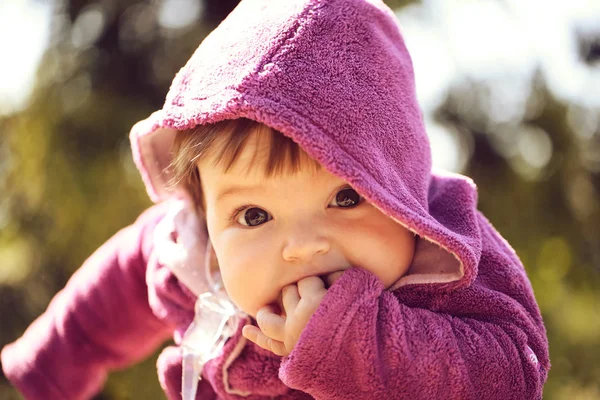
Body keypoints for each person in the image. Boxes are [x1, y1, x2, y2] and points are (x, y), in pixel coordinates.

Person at [1, 0, 550, 399]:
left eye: (344, 196)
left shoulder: (449, 260)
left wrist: (355, 341)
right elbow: (109, 295)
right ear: (209, 221)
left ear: (399, 190)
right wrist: (49, 371)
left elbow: (514, 373)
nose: (303, 247)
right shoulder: (193, 257)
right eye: (254, 215)